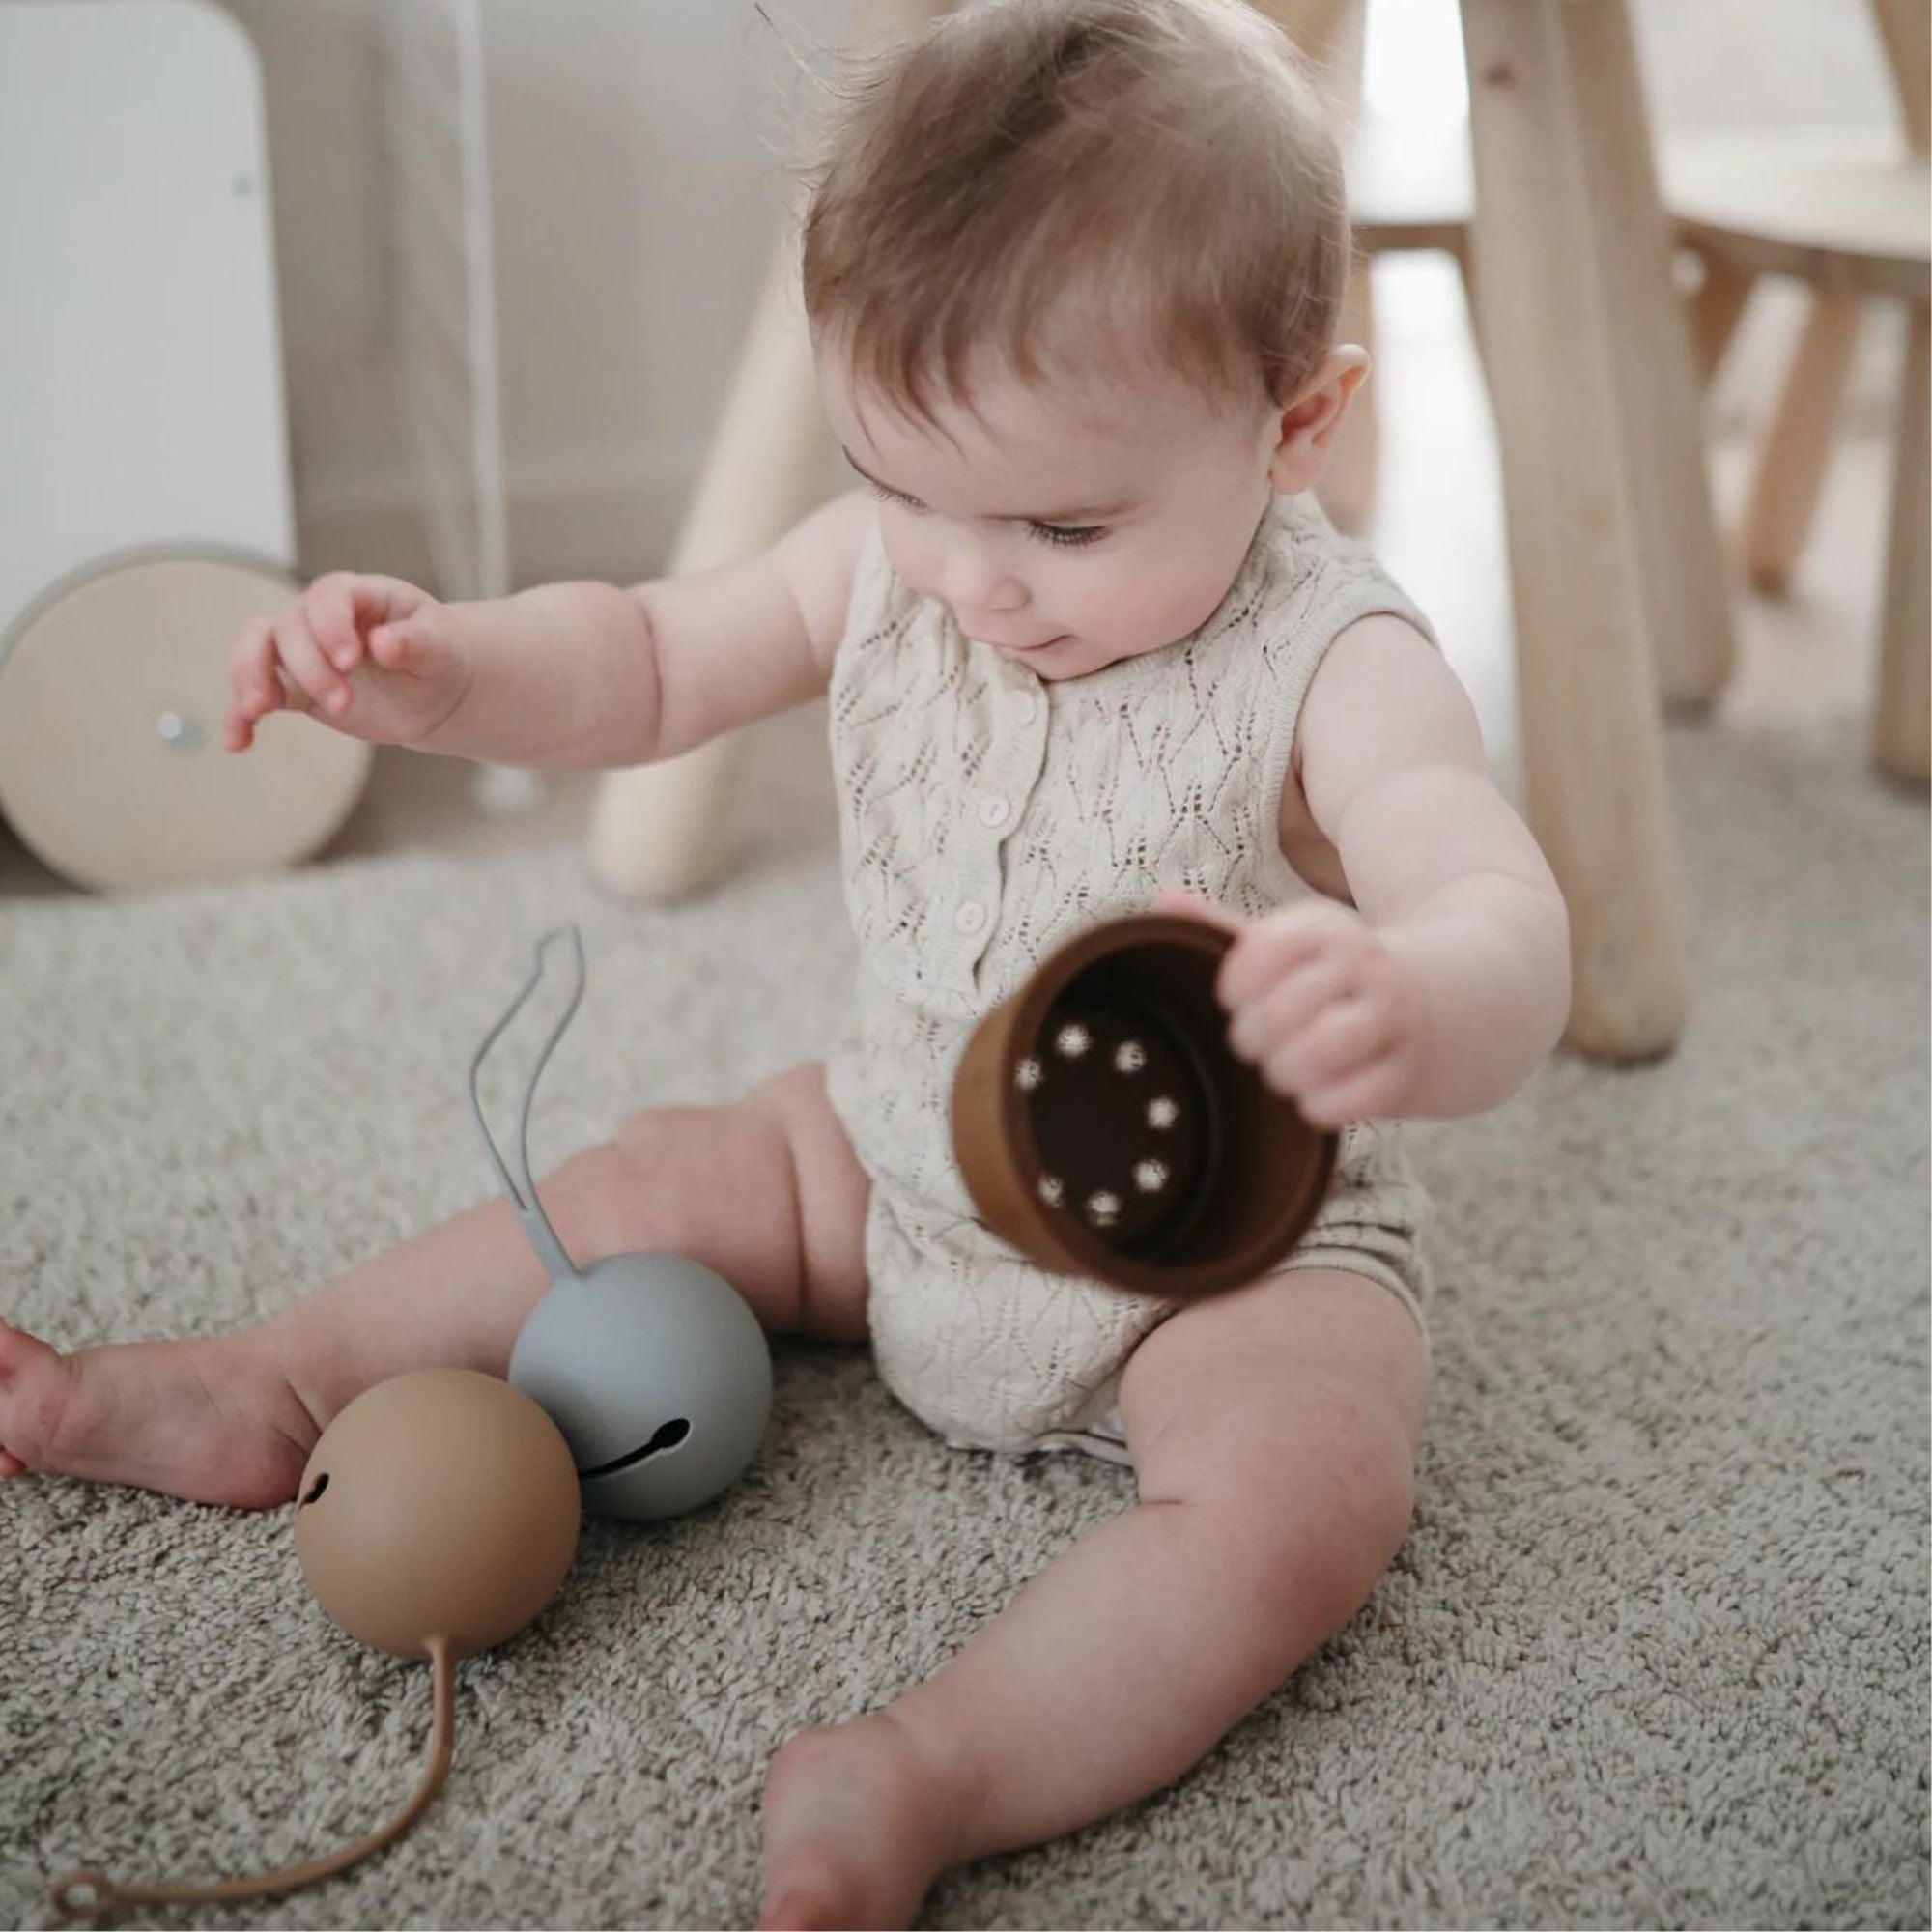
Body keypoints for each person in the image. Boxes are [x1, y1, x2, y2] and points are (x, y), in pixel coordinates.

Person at [0, 3, 1571, 1923]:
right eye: (900, 482)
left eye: (1066, 522)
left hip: (1228, 1257)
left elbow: (1501, 916)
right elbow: (654, 658)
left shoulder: (1336, 658)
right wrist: (448, 675)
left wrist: (1410, 998)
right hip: (899, 1156)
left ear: (1294, 424)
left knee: (1310, 1497)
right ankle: (270, 1379)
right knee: (663, 1173)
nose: (970, 577)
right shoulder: (891, 568)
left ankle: (922, 1772)